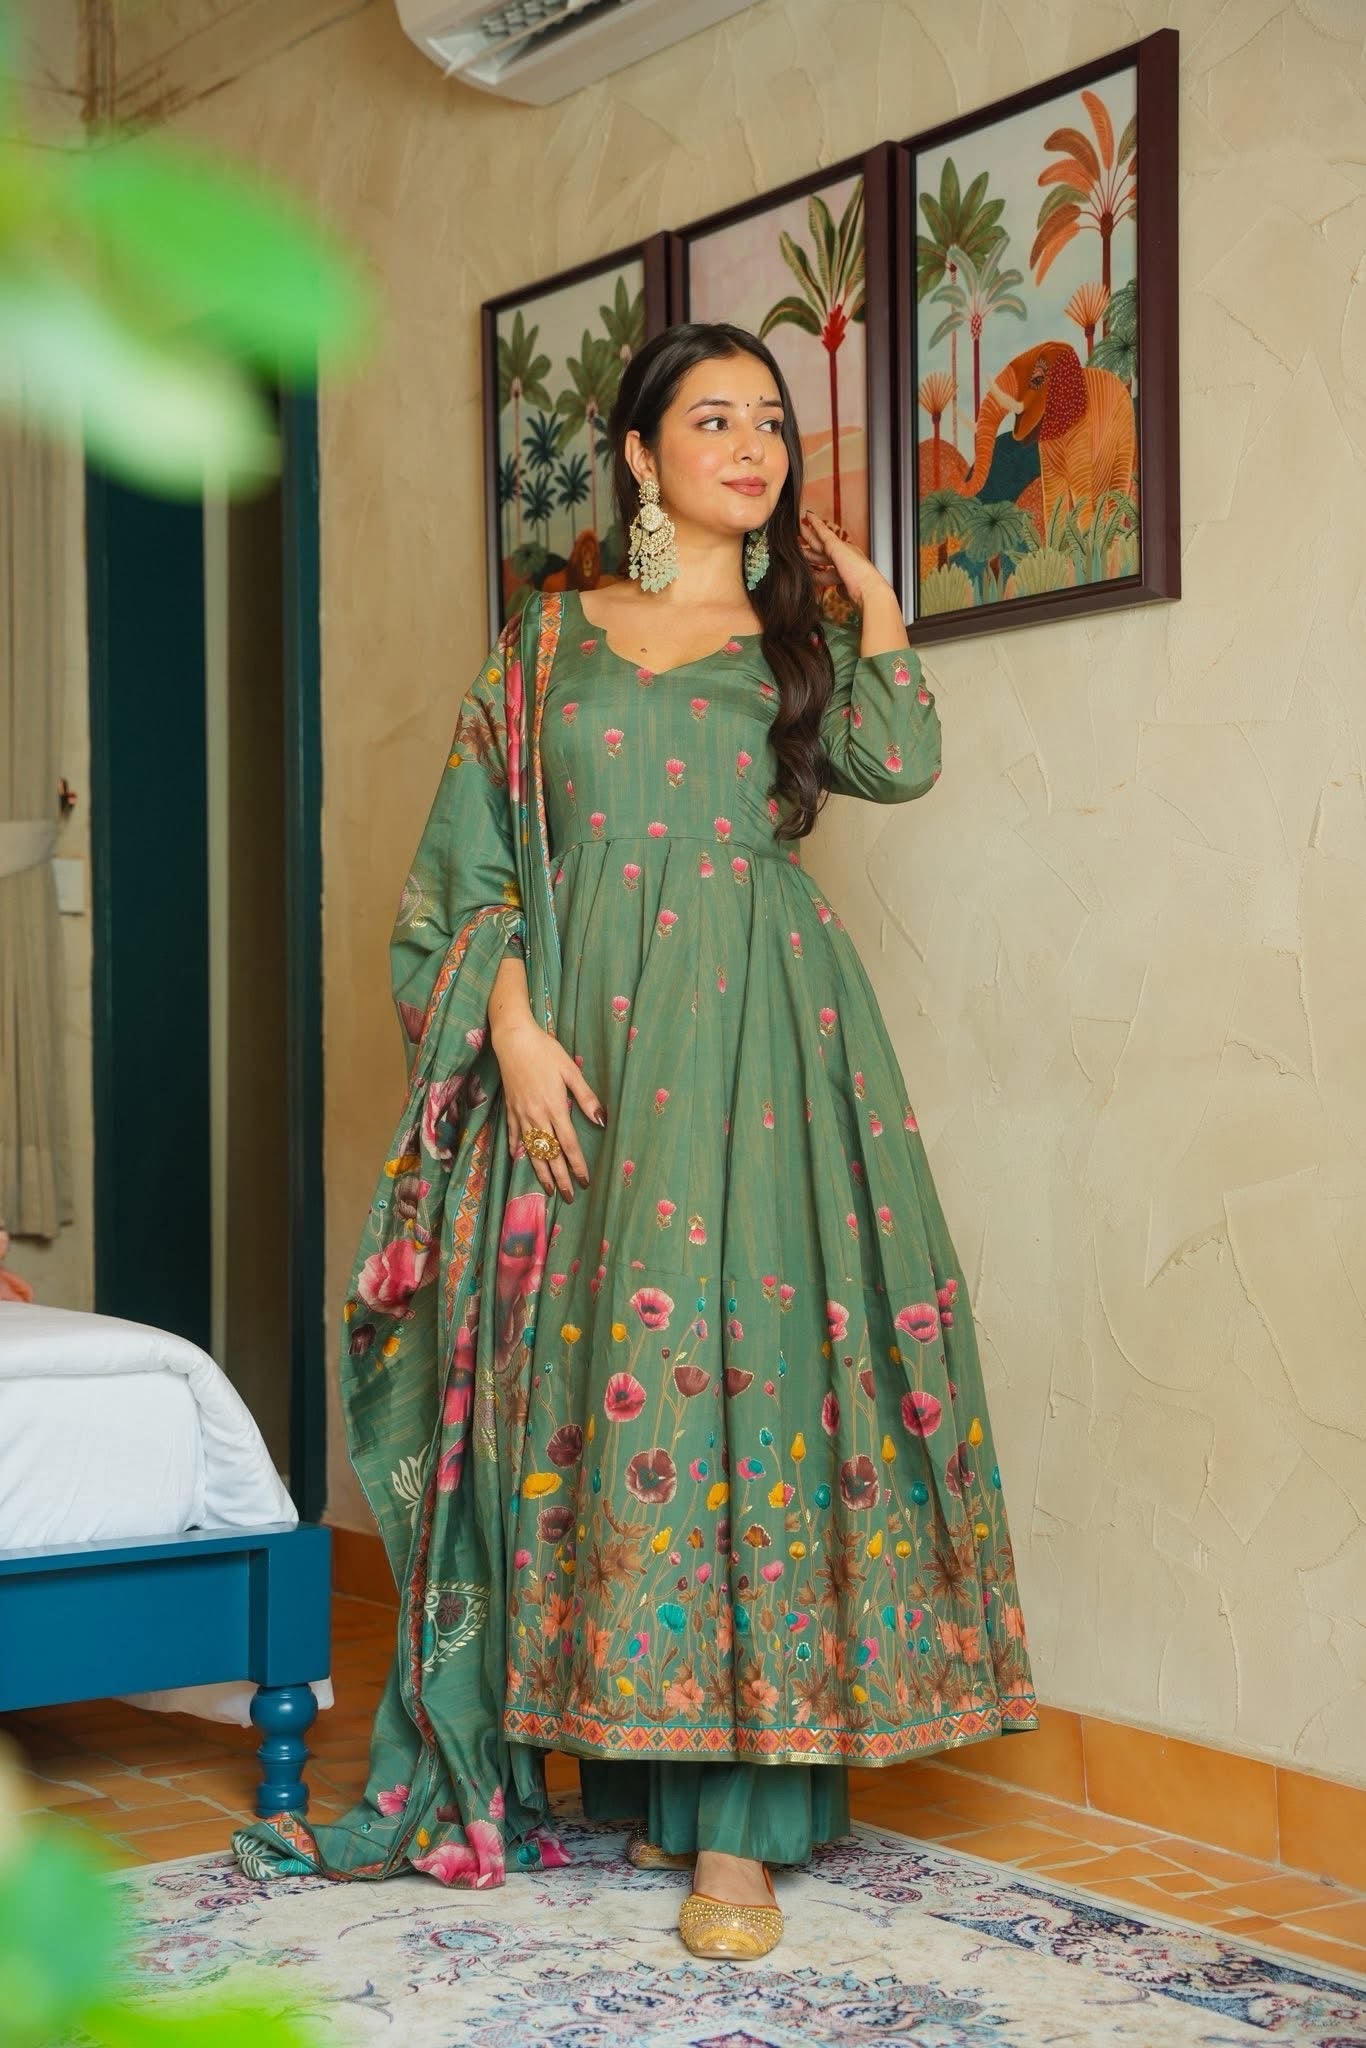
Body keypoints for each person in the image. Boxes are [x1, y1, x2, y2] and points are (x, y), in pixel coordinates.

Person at [233, 321, 1039, 1962]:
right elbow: (467, 865)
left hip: (756, 1044)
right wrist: (511, 1029)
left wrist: (873, 599)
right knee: (595, 1379)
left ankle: (738, 1833)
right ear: (637, 453)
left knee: (748, 1381)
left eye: (771, 422)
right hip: (577, 1048)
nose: (751, 445)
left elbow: (900, 759)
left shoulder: (794, 639)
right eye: (712, 417)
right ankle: (621, 1748)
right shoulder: (546, 642)